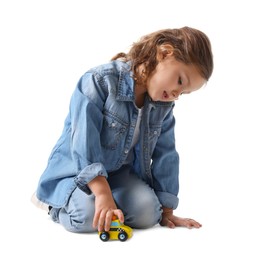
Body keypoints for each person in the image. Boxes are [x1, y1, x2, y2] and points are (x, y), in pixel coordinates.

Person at [32, 26, 213, 233]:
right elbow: (84, 144)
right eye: (180, 81)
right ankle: (56, 204)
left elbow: (167, 153)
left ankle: (110, 204)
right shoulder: (99, 81)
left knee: (148, 213)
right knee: (86, 217)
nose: (175, 94)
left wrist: (167, 210)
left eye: (184, 92)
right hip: (77, 171)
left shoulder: (163, 106)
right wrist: (102, 194)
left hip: (117, 174)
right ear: (164, 53)